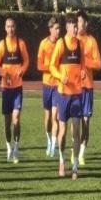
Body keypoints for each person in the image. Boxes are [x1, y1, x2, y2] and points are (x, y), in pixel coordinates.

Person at [49, 13, 85, 180]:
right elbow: (52, 66)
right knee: (62, 132)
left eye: (77, 26)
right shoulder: (61, 44)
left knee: (76, 130)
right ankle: (62, 160)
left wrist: (83, 72)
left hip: (77, 94)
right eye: (74, 26)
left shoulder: (80, 44)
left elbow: (82, 64)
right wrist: (59, 76)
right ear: (68, 27)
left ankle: (75, 166)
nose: (76, 29)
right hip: (63, 94)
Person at [0, 18, 30, 163]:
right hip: (6, 89)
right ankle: (8, 146)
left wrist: (22, 70)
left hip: (17, 88)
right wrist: (4, 73)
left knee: (16, 119)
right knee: (7, 121)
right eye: (8, 26)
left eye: (13, 26)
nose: (11, 29)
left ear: (15, 27)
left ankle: (16, 147)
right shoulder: (2, 44)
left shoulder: (20, 43)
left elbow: (26, 61)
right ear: (5, 28)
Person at [76, 10, 101, 166]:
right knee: (75, 122)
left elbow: (98, 64)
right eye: (77, 21)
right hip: (74, 88)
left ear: (86, 24)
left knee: (85, 121)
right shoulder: (71, 41)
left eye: (81, 22)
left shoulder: (92, 41)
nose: (79, 24)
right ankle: (75, 149)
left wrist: (86, 63)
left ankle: (81, 153)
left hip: (87, 87)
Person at [37, 16, 60, 157]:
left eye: (59, 28)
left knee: (55, 116)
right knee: (48, 116)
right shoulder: (43, 44)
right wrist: (51, 68)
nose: (58, 31)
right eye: (56, 28)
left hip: (58, 85)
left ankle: (53, 146)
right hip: (47, 84)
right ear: (50, 29)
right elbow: (39, 65)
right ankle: (48, 140)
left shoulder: (61, 44)